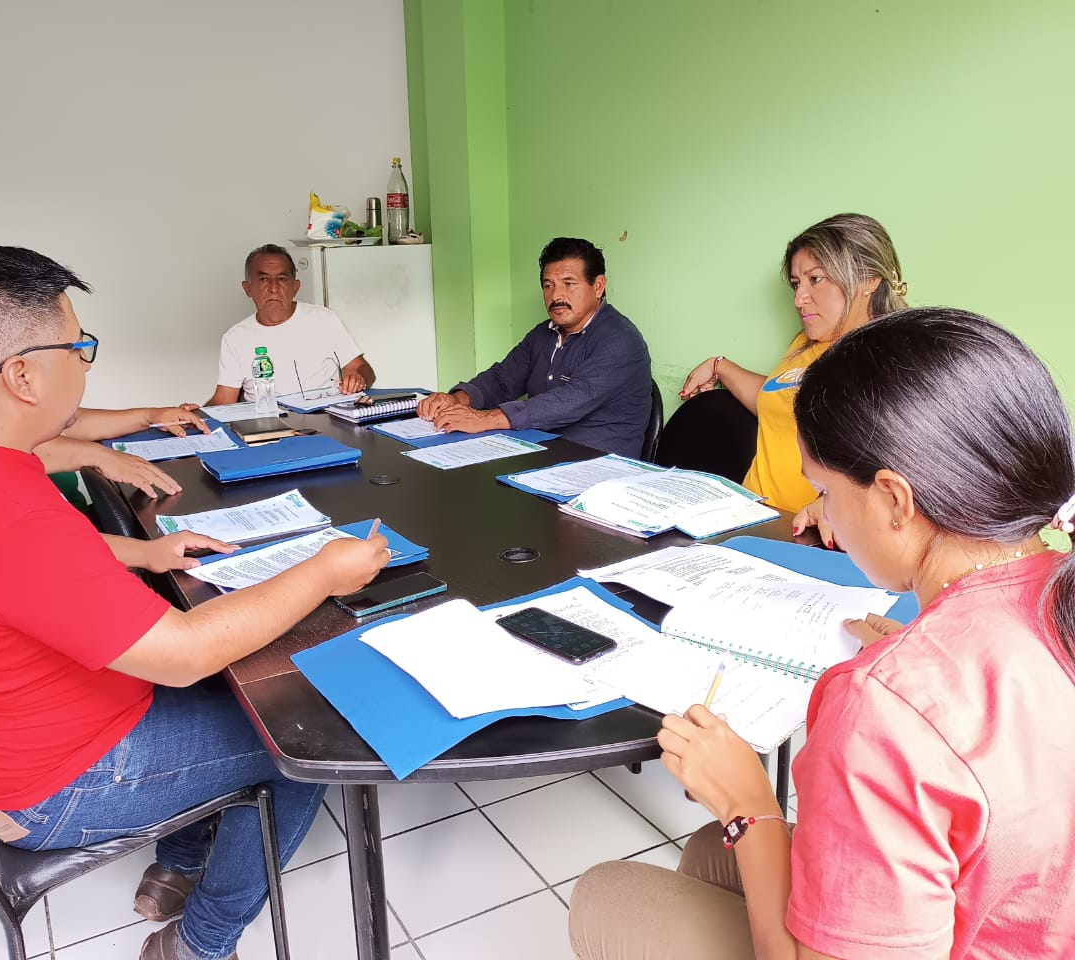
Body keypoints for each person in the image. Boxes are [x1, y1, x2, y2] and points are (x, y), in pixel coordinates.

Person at [0, 242, 391, 960]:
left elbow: (5, 573)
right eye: (78, 348)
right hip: (62, 782)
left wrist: (145, 553)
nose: (85, 364)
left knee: (237, 686)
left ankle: (178, 865)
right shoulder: (3, 516)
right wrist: (324, 571)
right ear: (21, 375)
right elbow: (184, 654)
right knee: (307, 732)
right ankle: (199, 943)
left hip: (18, 734)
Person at [568, 307, 1075, 959]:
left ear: (894, 499)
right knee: (708, 852)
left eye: (825, 493)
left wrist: (748, 801)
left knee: (608, 893)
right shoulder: (1054, 589)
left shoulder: (883, 708)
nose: (823, 515)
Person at [679, 213, 908, 516]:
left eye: (816, 279)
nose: (799, 299)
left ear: (869, 279)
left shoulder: (891, 356)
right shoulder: (806, 342)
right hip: (751, 515)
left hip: (812, 531)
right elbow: (780, 403)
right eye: (796, 283)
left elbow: (906, 463)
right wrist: (720, 366)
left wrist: (839, 506)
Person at [0, 338, 206, 503]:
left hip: (56, 512)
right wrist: (96, 455)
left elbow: (61, 422)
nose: (83, 362)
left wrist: (147, 417)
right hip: (22, 521)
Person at [415, 237, 651, 458]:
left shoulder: (621, 340)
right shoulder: (543, 334)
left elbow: (569, 402)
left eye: (569, 284)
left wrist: (484, 419)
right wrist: (458, 400)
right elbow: (502, 379)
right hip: (541, 455)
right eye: (548, 285)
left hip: (599, 467)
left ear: (598, 286)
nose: (556, 295)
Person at [205, 244, 375, 405]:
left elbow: (364, 369)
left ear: (295, 287)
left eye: (282, 279)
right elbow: (224, 400)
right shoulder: (235, 338)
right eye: (264, 279)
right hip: (265, 422)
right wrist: (196, 414)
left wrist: (358, 378)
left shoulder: (324, 319)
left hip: (325, 417)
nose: (273, 288)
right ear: (247, 289)